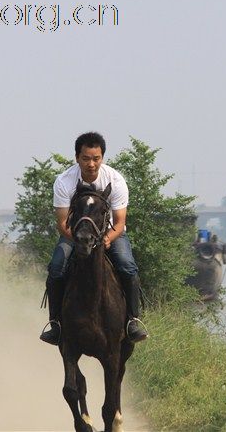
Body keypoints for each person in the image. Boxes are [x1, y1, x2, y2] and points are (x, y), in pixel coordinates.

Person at [39, 132, 149, 345]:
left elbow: (119, 222)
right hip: (74, 234)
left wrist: (106, 239)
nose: (91, 164)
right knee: (56, 267)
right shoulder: (64, 182)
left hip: (110, 233)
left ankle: (133, 321)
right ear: (77, 158)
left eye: (96, 158)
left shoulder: (115, 181)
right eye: (86, 158)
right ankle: (55, 325)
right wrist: (81, 240)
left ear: (102, 158)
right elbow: (62, 224)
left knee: (128, 266)